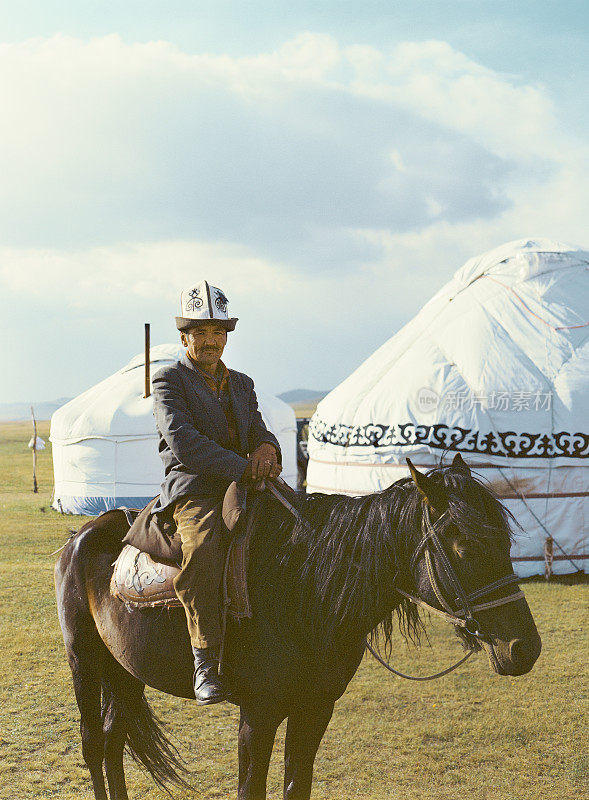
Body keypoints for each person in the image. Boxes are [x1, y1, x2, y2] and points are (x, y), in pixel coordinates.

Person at [151, 280, 282, 704]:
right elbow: (184, 443)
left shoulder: (241, 383)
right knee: (205, 547)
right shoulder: (169, 380)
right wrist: (244, 468)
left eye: (218, 333)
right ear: (184, 336)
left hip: (242, 479)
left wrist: (267, 448)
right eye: (201, 332)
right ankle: (204, 660)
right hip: (196, 487)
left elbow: (258, 429)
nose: (210, 341)